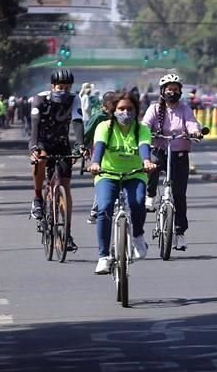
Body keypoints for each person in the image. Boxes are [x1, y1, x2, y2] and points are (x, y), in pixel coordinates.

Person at [88, 90, 156, 274]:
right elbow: (100, 146)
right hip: (107, 173)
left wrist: (147, 161)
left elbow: (143, 147)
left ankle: (138, 236)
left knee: (137, 202)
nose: (125, 113)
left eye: (129, 109)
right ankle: (103, 256)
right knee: (104, 207)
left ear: (136, 110)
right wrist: (95, 163)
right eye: (121, 109)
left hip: (135, 174)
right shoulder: (104, 127)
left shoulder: (141, 128)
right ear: (113, 110)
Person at [142, 73, 203, 251]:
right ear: (162, 91)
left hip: (180, 154)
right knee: (152, 164)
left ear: (180, 92)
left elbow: (192, 123)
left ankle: (180, 233)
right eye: (169, 89)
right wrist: (145, 132)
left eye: (176, 90)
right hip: (160, 150)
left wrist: (195, 132)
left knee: (179, 195)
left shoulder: (184, 109)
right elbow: (145, 124)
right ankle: (151, 194)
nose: (172, 92)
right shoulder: (154, 109)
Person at [29, 68, 85, 252]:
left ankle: (67, 233)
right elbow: (35, 125)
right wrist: (34, 148)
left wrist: (81, 145)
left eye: (67, 87)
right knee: (41, 158)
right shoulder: (40, 99)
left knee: (65, 186)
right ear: (52, 86)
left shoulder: (74, 98)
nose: (64, 91)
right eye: (60, 87)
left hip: (62, 143)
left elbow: (77, 122)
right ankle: (38, 198)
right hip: (42, 142)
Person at [84, 91, 116, 225]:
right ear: (105, 104)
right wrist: (81, 148)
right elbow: (87, 133)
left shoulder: (119, 116)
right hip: (99, 153)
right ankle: (95, 211)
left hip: (115, 153)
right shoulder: (99, 117)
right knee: (103, 179)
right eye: (113, 102)